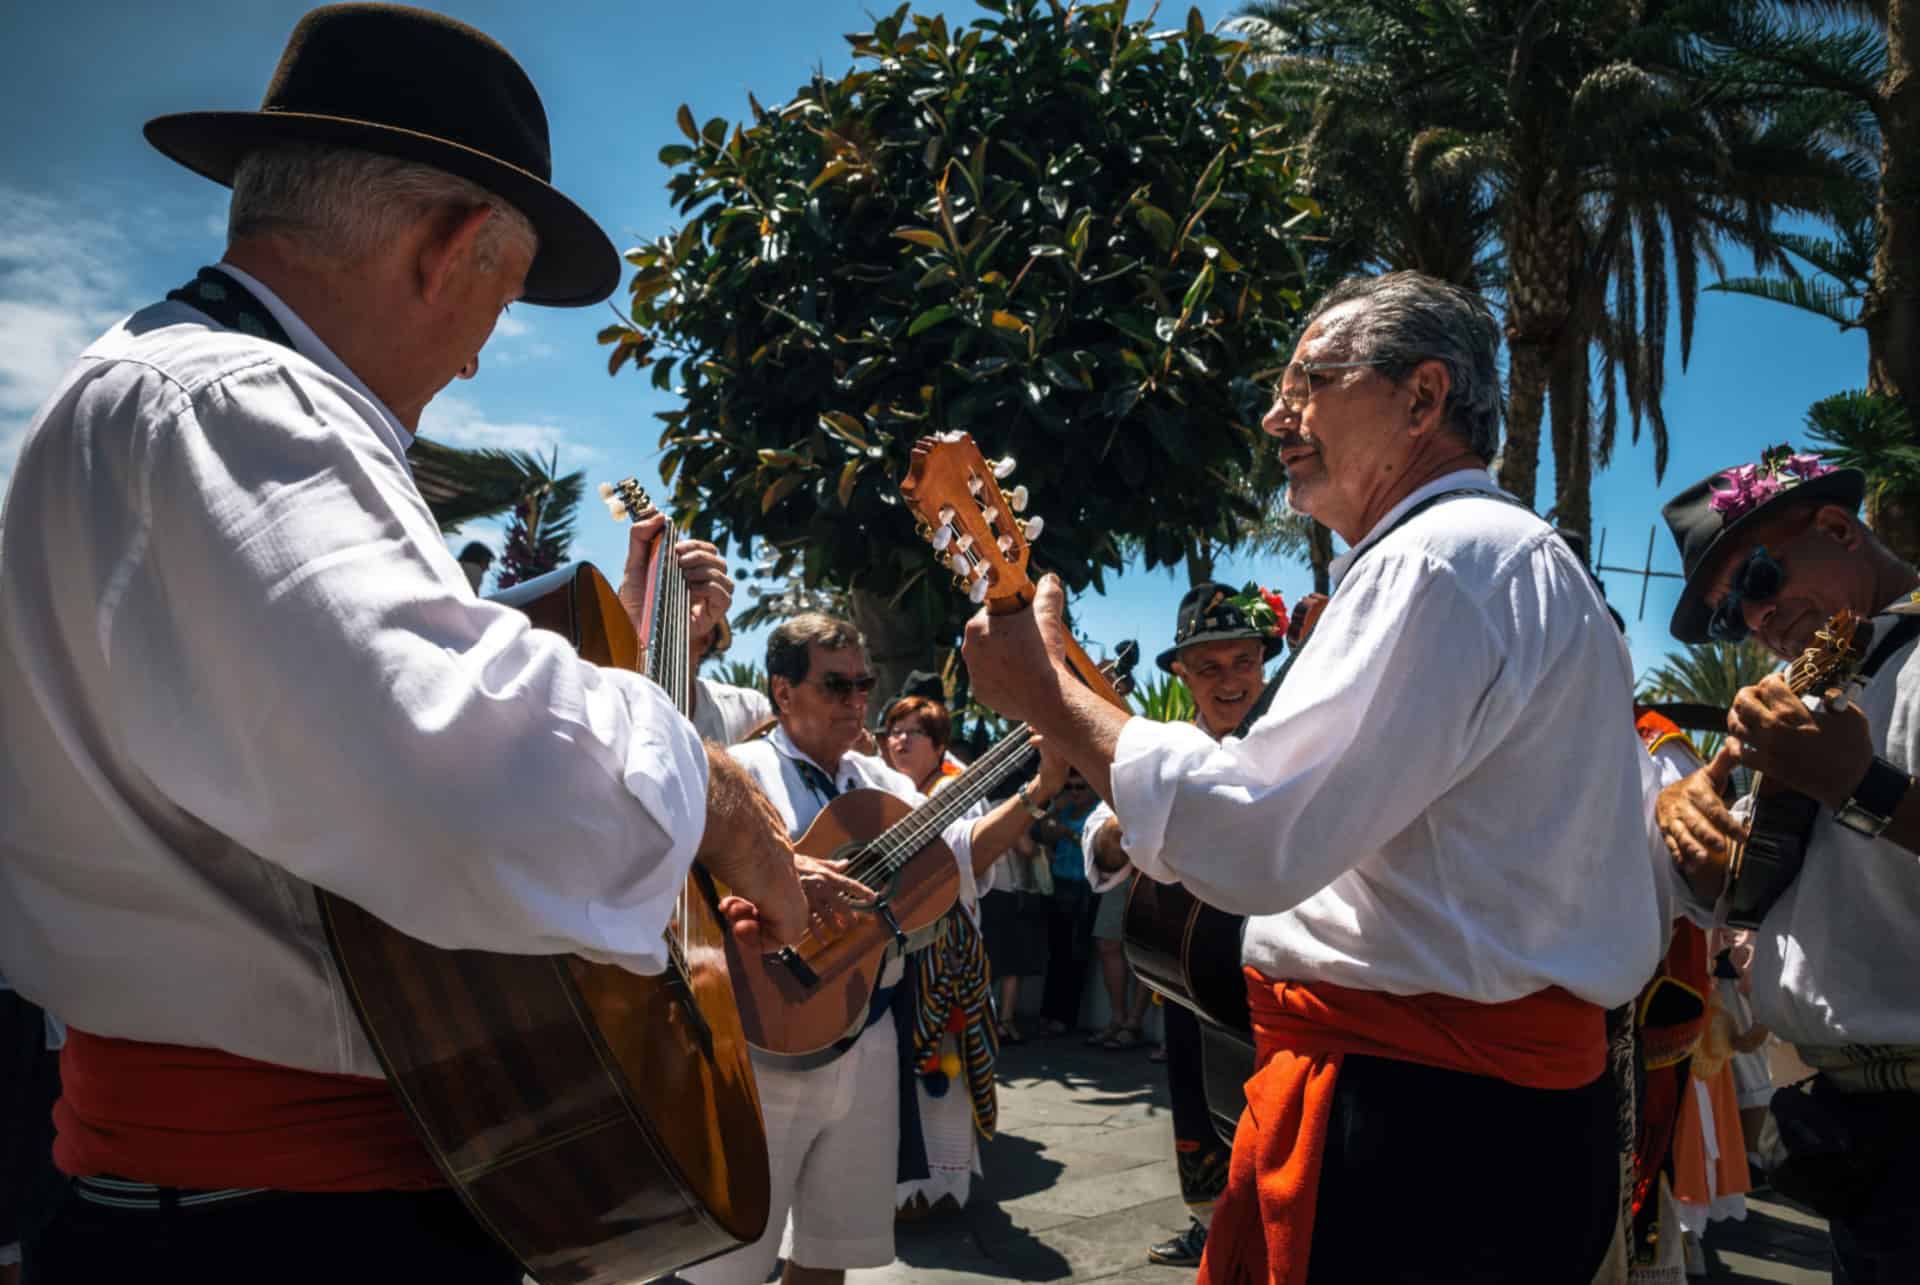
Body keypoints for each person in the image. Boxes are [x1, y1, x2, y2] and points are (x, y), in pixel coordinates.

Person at [0, 8, 820, 1282]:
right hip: (289, 1231)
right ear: (447, 246)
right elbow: (464, 780)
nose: (484, 351)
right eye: (500, 295)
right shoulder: (240, 403)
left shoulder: (161, 397)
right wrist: (710, 794)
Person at [963, 270, 1665, 1283]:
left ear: (1422, 398)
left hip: (1432, 1136)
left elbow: (1259, 833)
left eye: (1311, 382)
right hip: (1492, 1116)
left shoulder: (1437, 560)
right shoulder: (1517, 563)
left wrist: (1051, 697)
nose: (1274, 415)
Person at [681, 614, 1066, 1285]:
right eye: (836, 684)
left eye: (863, 683)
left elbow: (959, 855)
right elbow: (681, 889)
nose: (857, 700)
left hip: (867, 1031)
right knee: (724, 1265)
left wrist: (1036, 790)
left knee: (834, 1247)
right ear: (783, 690)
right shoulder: (736, 774)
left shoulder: (881, 783)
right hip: (757, 1039)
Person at [1654, 445, 1920, 1281]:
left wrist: (1861, 784)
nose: (1756, 619)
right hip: (1855, 1134)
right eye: (1733, 616)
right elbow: (1756, 878)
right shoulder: (1809, 695)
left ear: (1839, 526)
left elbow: (1861, 795)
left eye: (1759, 580)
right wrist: (1687, 828)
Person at [1084, 579, 1290, 1267]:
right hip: (1191, 971)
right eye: (1210, 667)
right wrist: (1122, 830)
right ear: (1182, 672)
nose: (1231, 682)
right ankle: (1212, 1226)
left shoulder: (1294, 739)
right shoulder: (1159, 746)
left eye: (1244, 663)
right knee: (1196, 1097)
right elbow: (1104, 843)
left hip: (1273, 972)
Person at [878, 694, 993, 1216]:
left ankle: (938, 1191)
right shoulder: (882, 784)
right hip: (900, 953)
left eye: (912, 732)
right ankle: (905, 1190)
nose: (898, 741)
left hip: (946, 961)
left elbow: (954, 863)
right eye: (892, 731)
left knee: (942, 1074)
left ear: (939, 744)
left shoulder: (954, 789)